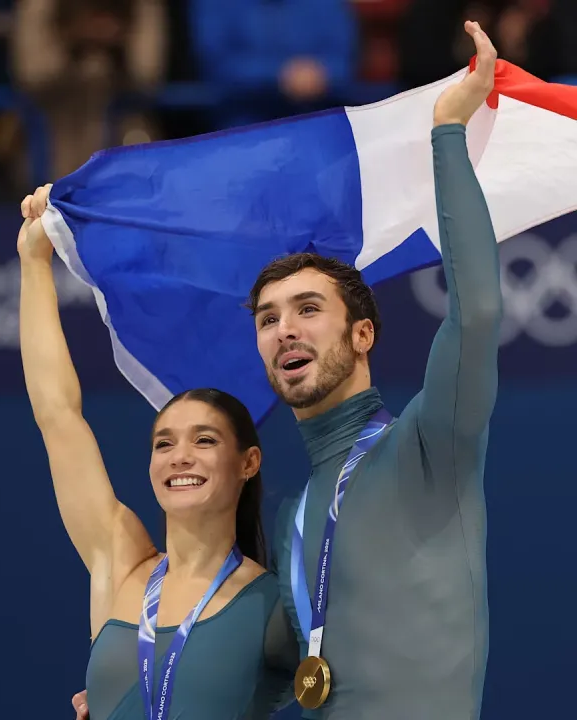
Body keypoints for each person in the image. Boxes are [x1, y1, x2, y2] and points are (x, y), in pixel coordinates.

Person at [66, 20, 503, 720]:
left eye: (307, 309)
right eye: (267, 318)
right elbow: (253, 691)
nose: (284, 330)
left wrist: (447, 134)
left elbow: (476, 314)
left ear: (363, 334)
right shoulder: (296, 516)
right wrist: (122, 700)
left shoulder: (429, 445)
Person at [17, 200, 297, 719]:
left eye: (205, 440)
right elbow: (58, 415)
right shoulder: (119, 560)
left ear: (248, 462)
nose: (179, 457)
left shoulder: (274, 606)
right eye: (164, 443)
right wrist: (34, 264)